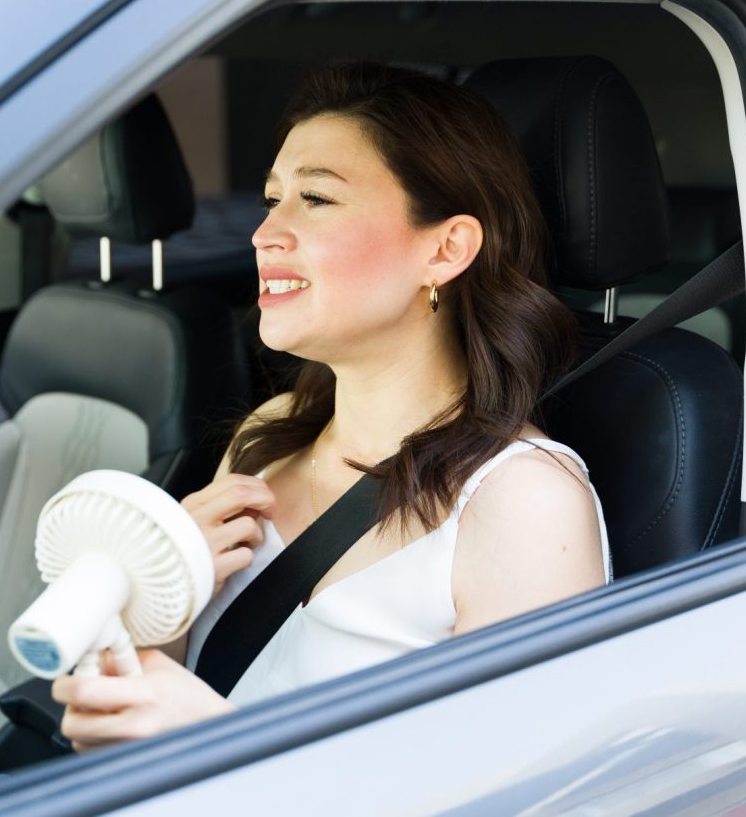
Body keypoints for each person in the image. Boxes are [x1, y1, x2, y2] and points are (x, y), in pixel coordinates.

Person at [52, 62, 612, 751]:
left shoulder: (525, 502)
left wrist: (222, 746)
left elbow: (517, 794)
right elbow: (157, 711)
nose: (264, 234)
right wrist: (159, 589)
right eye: (271, 199)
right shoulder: (268, 438)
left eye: (314, 199)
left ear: (446, 248)